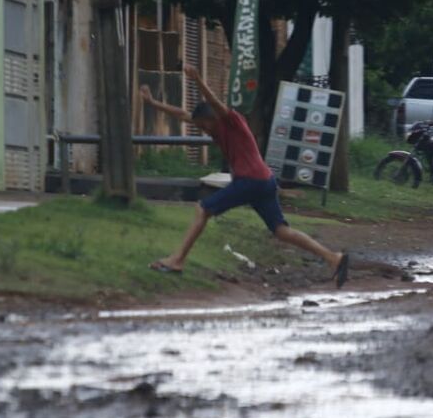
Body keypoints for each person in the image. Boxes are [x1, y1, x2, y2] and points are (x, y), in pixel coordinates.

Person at [140, 65, 349, 287]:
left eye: (204, 126)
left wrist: (198, 79)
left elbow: (214, 103)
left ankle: (177, 259)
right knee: (281, 230)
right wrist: (153, 103)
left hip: (250, 180)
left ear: (211, 118)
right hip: (265, 181)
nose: (204, 131)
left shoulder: (233, 121)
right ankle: (333, 257)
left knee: (202, 209)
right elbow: (183, 115)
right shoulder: (214, 125)